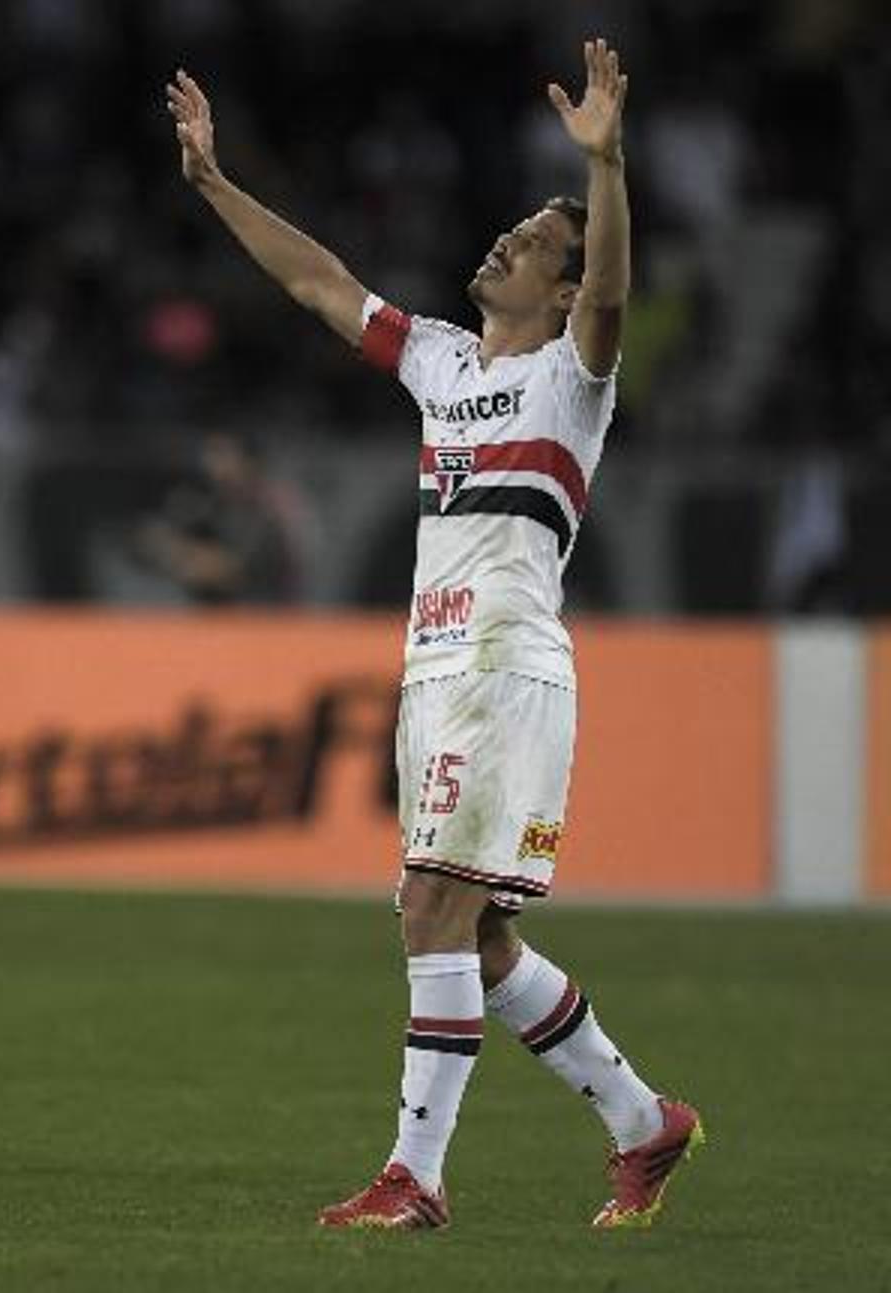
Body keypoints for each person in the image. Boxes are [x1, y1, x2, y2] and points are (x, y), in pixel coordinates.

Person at [167, 40, 702, 1229]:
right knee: (485, 937)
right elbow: (318, 282)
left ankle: (416, 1178)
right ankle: (642, 1123)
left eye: (536, 242)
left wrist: (605, 168)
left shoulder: (575, 376)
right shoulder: (442, 361)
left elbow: (612, 292)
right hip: (437, 672)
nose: (510, 239)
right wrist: (213, 182)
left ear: (561, 292)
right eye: (516, 225)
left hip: (507, 668)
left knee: (426, 907)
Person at [134, 430, 311, 605]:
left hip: (268, 614)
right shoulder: (208, 499)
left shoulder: (269, 506)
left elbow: (236, 571)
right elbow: (152, 540)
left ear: (248, 461)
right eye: (209, 454)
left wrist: (186, 557)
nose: (212, 464)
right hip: (215, 614)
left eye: (222, 454)